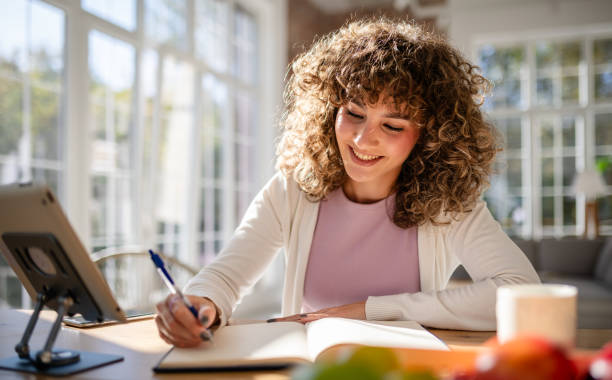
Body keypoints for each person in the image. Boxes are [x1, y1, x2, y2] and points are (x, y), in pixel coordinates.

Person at [154, 17, 540, 348]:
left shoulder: (448, 204)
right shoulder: (293, 188)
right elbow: (226, 274)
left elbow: (522, 295)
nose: (361, 139)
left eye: (391, 125)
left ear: (430, 134)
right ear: (330, 108)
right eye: (354, 113)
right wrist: (202, 301)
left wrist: (368, 311)